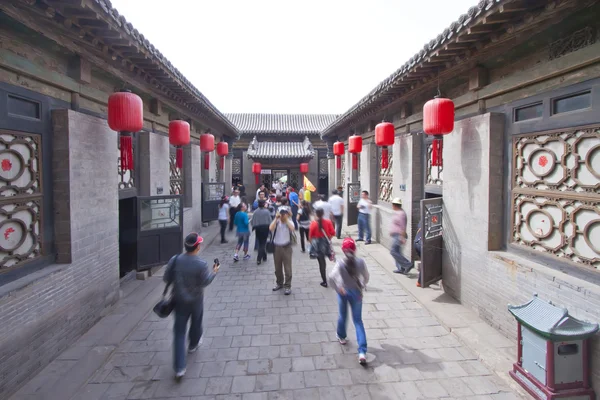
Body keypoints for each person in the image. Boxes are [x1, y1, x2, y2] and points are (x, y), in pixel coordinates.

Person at [163, 233, 219, 379]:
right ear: (197, 247)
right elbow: (206, 282)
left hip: (179, 300)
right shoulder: (201, 264)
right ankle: (193, 344)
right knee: (196, 323)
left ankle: (179, 368)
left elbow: (166, 278)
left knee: (179, 332)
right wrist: (214, 272)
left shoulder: (175, 260)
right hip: (196, 300)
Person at [328, 237, 369, 365]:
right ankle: (362, 351)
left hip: (343, 292)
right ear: (355, 250)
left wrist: (338, 288)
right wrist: (362, 284)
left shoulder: (340, 263)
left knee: (343, 315)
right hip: (356, 293)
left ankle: (341, 336)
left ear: (343, 250)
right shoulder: (361, 262)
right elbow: (366, 277)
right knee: (357, 320)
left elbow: (330, 278)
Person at [269, 207, 294, 295]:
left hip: (286, 247)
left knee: (288, 269)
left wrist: (286, 219)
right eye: (282, 213)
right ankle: (279, 283)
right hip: (277, 247)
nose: (283, 214)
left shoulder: (289, 221)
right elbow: (270, 228)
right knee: (277, 268)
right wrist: (276, 218)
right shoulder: (276, 221)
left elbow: (292, 228)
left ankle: (287, 286)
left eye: (285, 213)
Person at [309, 206, 336, 287]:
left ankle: (324, 281)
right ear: (323, 214)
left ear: (316, 214)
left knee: (321, 264)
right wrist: (328, 239)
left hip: (317, 246)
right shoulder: (328, 222)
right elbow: (333, 233)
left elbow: (310, 237)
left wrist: (312, 244)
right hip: (326, 245)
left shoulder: (313, 224)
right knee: (325, 260)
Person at [390, 198, 413, 274]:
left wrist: (402, 237)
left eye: (393, 204)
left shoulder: (401, 214)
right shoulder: (397, 212)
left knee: (393, 251)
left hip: (399, 235)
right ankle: (401, 268)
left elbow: (403, 226)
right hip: (395, 235)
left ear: (395, 205)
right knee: (398, 252)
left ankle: (407, 264)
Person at [251, 199, 272, 265]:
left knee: (261, 242)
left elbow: (252, 221)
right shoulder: (267, 212)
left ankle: (264, 255)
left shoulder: (255, 212)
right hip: (265, 228)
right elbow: (270, 221)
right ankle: (259, 258)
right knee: (263, 243)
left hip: (258, 229)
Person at [414, 220, 423, 287]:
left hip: (416, 242)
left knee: (423, 261)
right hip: (421, 244)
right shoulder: (433, 218)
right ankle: (420, 281)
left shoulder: (423, 219)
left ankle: (421, 281)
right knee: (425, 263)